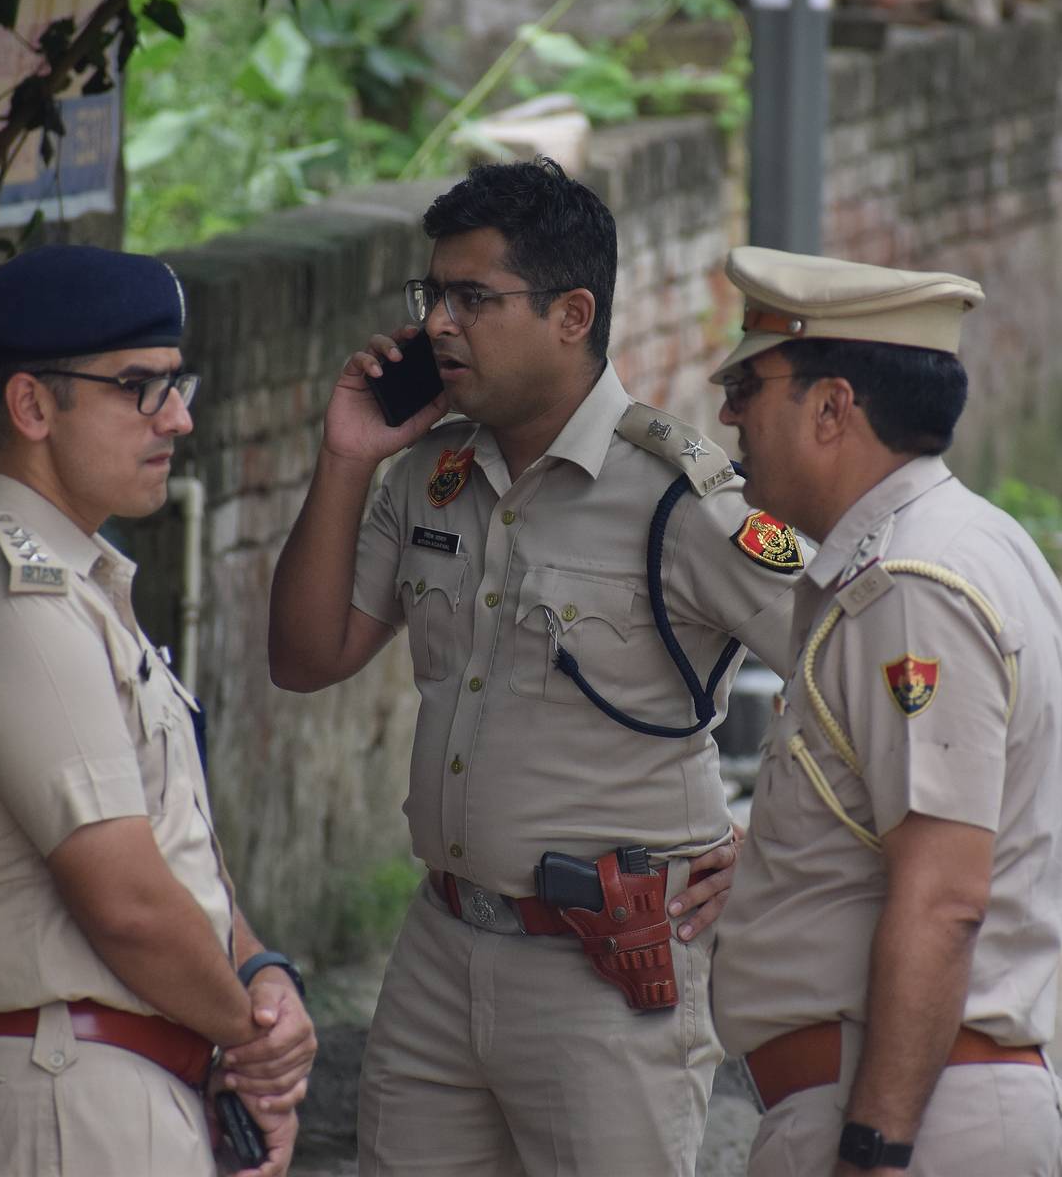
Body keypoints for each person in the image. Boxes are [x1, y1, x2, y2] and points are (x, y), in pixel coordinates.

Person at [268, 158, 806, 1176]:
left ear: (571, 314)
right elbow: (304, 657)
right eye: (434, 295)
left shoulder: (678, 499)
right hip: (440, 943)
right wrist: (345, 455)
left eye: (474, 297)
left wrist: (773, 834)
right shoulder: (431, 473)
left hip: (606, 969)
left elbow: (847, 666)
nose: (438, 323)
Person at [0, 244, 317, 1177]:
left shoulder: (74, 583)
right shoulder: (16, 607)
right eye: (140, 387)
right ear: (31, 406)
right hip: (60, 1103)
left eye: (177, 382)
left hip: (102, 1088)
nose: (178, 417)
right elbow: (130, 903)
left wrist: (263, 973)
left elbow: (175, 860)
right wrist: (252, 1040)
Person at [708, 246, 1062, 1177]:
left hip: (906, 1120)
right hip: (919, 1106)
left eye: (748, 385)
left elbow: (947, 896)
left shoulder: (915, 582)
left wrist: (874, 1149)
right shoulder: (959, 543)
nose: (726, 414)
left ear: (833, 407)